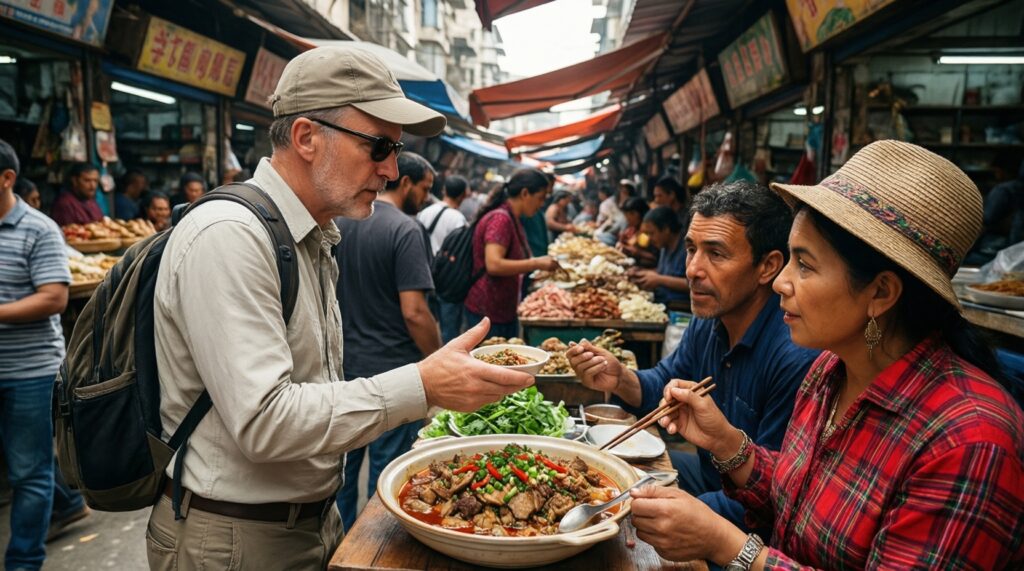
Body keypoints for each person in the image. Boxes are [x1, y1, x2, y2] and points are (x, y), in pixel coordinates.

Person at [146, 45, 533, 570]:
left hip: (308, 520)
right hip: (234, 539)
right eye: (378, 146)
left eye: (395, 150)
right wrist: (422, 385)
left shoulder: (313, 234)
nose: (392, 169)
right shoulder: (231, 237)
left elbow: (314, 388)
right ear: (306, 137)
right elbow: (265, 421)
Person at [630, 141, 1024, 570]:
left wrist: (728, 545)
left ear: (880, 292)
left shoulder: (969, 445)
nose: (780, 283)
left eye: (804, 265)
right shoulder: (830, 370)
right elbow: (795, 502)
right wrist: (726, 442)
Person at [568, 181, 818, 534]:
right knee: (600, 470)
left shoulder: (795, 357)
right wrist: (620, 378)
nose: (692, 270)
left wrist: (669, 511)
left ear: (768, 267)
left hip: (751, 520)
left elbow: (776, 498)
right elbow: (664, 385)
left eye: (716, 254)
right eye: (690, 249)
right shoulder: (710, 322)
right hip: (706, 477)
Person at [335, 151, 441, 530]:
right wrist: (439, 359)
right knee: (389, 473)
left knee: (342, 473)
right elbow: (415, 311)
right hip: (394, 372)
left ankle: (340, 545)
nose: (426, 197)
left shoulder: (341, 222)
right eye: (425, 188)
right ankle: (374, 549)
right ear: (406, 182)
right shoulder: (406, 230)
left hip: (342, 366)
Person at [0, 138, 71, 570]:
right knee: (30, 466)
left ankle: (23, 562)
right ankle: (70, 499)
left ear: (7, 178)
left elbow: (53, 298)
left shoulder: (40, 229)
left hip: (30, 372)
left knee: (28, 471)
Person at [464, 168, 560, 339]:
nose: (542, 204)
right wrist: (537, 263)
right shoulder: (501, 219)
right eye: (540, 198)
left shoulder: (512, 217)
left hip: (501, 309)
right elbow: (493, 264)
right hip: (488, 313)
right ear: (525, 193)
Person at [418, 175, 470, 343]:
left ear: (444, 191)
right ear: (463, 195)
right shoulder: (458, 219)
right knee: (450, 328)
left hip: (426, 272)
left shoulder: (424, 212)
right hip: (448, 279)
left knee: (430, 320)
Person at [629, 206, 689, 304]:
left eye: (651, 233)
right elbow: (664, 272)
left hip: (677, 307)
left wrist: (659, 280)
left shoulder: (687, 249)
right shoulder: (664, 246)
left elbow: (694, 285)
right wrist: (641, 272)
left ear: (666, 230)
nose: (649, 239)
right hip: (660, 298)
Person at [617, 196, 656, 267]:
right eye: (626, 215)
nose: (627, 219)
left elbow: (655, 258)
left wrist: (638, 252)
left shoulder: (649, 230)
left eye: (629, 215)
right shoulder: (632, 228)